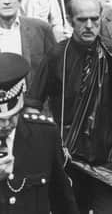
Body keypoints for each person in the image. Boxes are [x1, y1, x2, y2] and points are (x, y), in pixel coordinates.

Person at [25, 0, 112, 214]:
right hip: (67, 158)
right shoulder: (56, 55)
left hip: (104, 160)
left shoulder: (111, 51)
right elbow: (32, 104)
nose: (89, 25)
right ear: (70, 20)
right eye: (82, 20)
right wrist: (48, 143)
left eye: (94, 19)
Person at [0, 52, 80, 214]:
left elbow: (62, 200)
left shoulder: (44, 135)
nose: (6, 124)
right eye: (0, 119)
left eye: (12, 116)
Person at [0, 0, 56, 83]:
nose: (6, 1)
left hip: (31, 96)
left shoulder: (41, 29)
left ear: (19, 0)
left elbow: (55, 70)